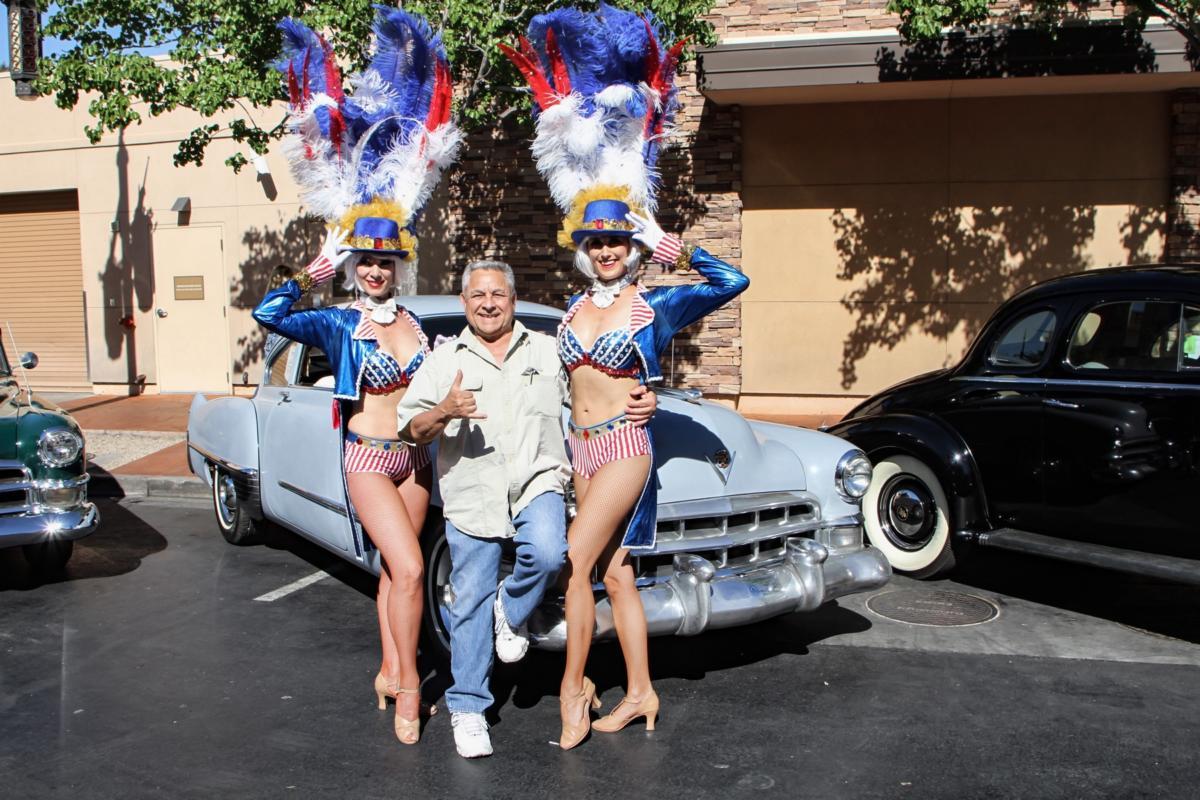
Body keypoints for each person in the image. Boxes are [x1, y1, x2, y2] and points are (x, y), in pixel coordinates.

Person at [500, 5, 750, 750]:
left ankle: (573, 691)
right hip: (579, 450)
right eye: (597, 241)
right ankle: (640, 692)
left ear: (631, 245)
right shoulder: (575, 307)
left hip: (623, 448)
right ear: (583, 245)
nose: (607, 250)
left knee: (573, 562)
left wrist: (671, 244)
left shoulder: (654, 305)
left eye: (618, 240)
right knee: (614, 575)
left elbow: (733, 280)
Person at [257, 7, 462, 746]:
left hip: (415, 461)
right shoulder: (339, 322)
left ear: (399, 263)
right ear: (354, 265)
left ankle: (386, 667)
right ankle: (408, 689)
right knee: (409, 569)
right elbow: (269, 312)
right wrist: (313, 270)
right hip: (369, 460)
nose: (375, 269)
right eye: (365, 261)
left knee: (390, 574)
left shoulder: (416, 325)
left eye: (385, 260)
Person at [395, 259, 657, 759]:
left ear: (513, 300)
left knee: (552, 553)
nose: (488, 304)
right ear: (464, 303)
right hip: (473, 492)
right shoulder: (444, 359)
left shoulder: (546, 349)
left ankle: (509, 608)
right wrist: (445, 409)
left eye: (498, 294)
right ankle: (468, 707)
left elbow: (598, 384)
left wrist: (648, 400)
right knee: (469, 599)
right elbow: (410, 430)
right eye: (477, 295)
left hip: (538, 483)